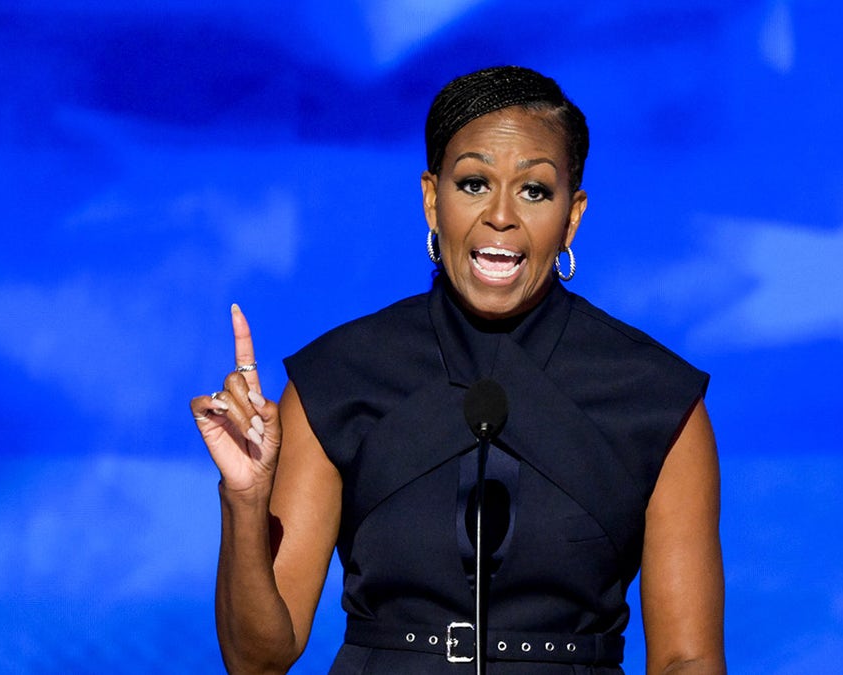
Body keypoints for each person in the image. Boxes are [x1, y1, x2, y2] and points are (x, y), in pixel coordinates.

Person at [191, 66, 725, 674]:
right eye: (473, 183)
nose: (501, 215)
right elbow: (257, 659)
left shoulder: (656, 398)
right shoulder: (338, 378)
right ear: (431, 199)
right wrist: (246, 498)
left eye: (534, 191)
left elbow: (689, 659)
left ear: (572, 217)